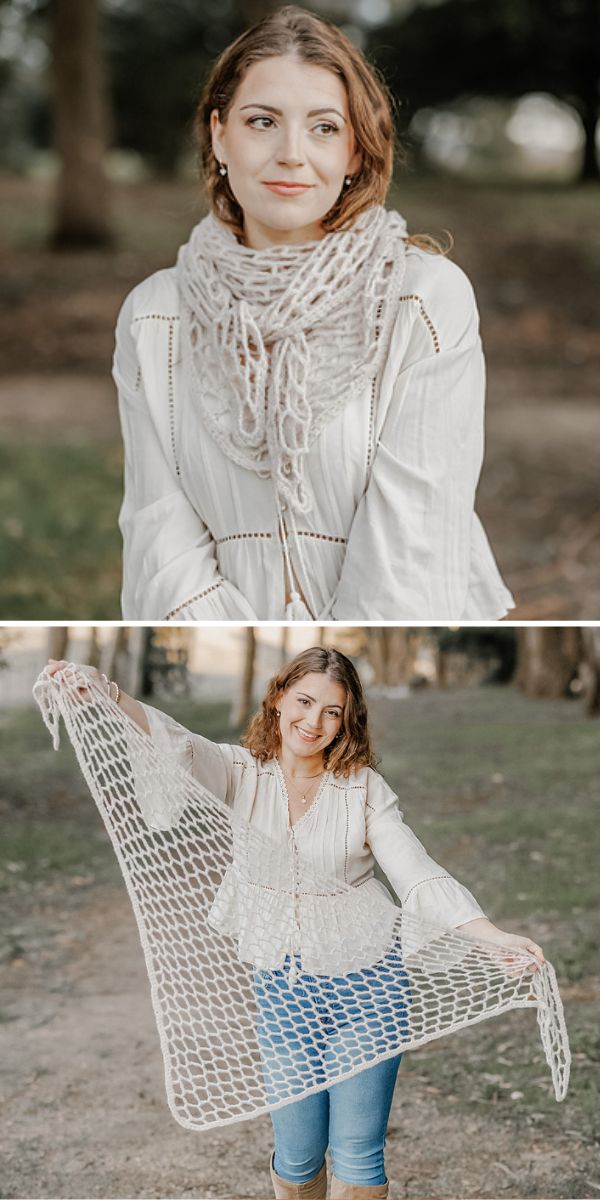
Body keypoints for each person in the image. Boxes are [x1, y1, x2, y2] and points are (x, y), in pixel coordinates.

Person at [46, 648, 544, 1199]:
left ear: (347, 720)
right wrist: (110, 695)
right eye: (305, 702)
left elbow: (416, 873)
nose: (314, 722)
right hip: (284, 994)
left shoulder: (364, 790)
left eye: (332, 712)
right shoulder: (240, 773)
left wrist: (489, 935)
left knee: (358, 1153)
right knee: (299, 1155)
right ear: (279, 697)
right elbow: (174, 741)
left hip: (370, 987)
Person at [112, 4, 515, 622]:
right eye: (262, 121)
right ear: (220, 134)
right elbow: (159, 543)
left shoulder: (423, 301)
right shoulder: (153, 318)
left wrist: (328, 656)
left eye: (324, 127)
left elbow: (415, 550)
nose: (292, 154)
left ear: (356, 150)